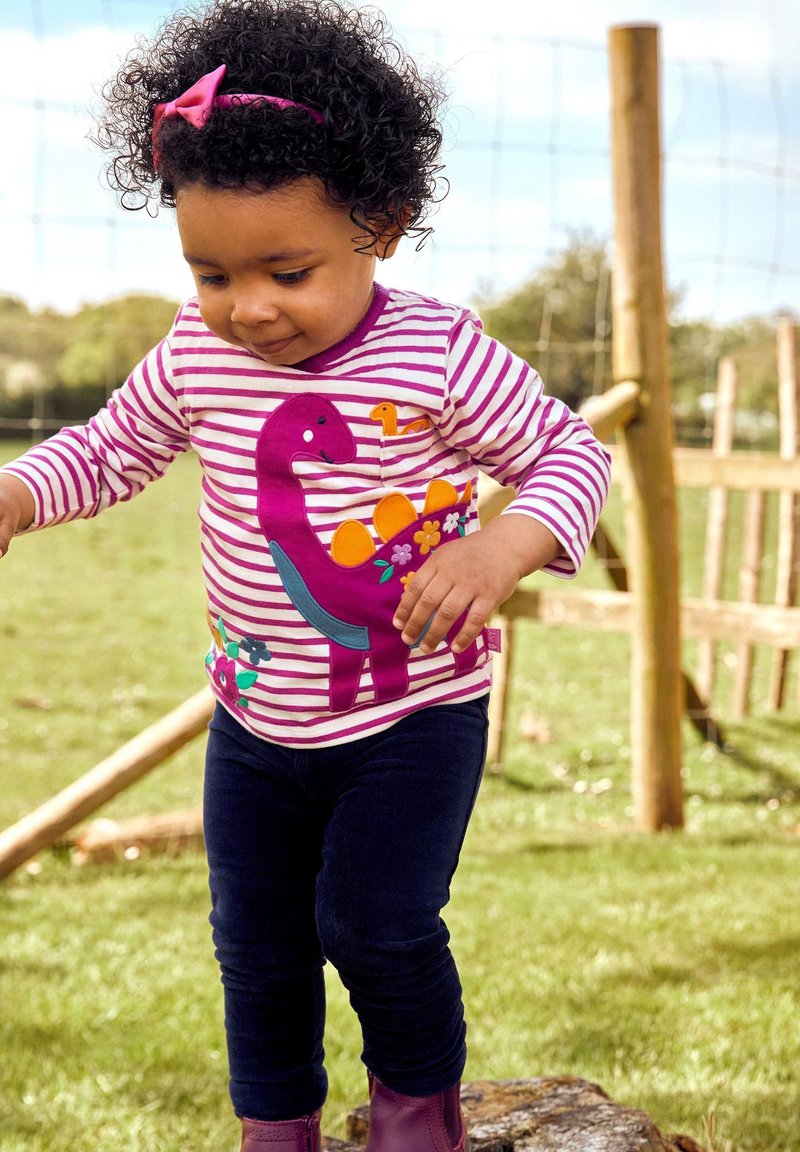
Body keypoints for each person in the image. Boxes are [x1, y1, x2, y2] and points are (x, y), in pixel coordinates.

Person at [0, 2, 611, 1149]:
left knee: (375, 923)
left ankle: (414, 1118)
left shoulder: (433, 351)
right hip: (254, 725)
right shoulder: (196, 351)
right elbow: (110, 447)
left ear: (380, 223)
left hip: (413, 717)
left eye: (286, 269)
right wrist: (20, 494)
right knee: (257, 940)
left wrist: (499, 546)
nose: (248, 308)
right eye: (211, 273)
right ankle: (274, 1130)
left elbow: (569, 453)